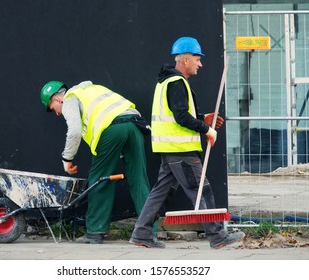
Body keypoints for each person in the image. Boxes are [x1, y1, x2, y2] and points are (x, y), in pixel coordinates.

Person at [129, 37, 245, 249]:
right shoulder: (177, 83)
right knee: (202, 189)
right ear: (184, 60)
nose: (200, 64)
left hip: (169, 149)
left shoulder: (165, 82)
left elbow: (179, 114)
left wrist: (202, 118)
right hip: (181, 150)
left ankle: (141, 233)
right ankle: (217, 235)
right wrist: (207, 129)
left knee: (160, 193)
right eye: (197, 59)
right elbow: (181, 117)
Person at [40, 80, 154, 244]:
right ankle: (148, 232)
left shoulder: (70, 97)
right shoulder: (93, 89)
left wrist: (67, 159)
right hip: (135, 124)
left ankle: (95, 231)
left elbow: (74, 131)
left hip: (112, 129)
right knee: (139, 179)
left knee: (100, 178)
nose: (57, 113)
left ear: (57, 99)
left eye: (53, 108)